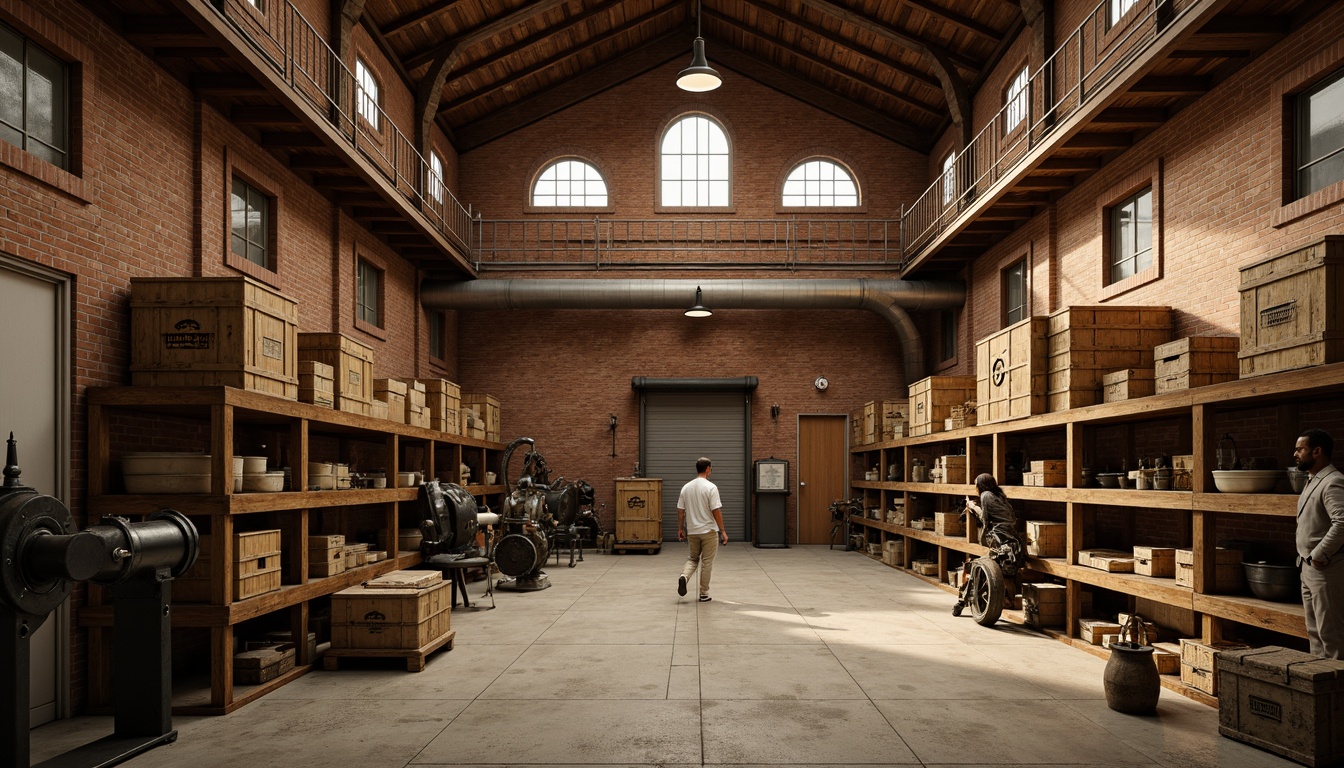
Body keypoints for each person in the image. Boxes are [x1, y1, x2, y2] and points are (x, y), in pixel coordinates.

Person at [1293, 428, 1344, 658]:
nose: (1295, 454)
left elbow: (1342, 522)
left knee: (1330, 635)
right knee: (1314, 634)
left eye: (1299, 449)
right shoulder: (1312, 479)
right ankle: (1317, 691)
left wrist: (1319, 555)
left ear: (1317, 451)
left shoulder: (1333, 481)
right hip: (1308, 568)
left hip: (1326, 568)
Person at [952, 472, 1022, 617]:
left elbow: (985, 519)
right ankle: (1009, 600)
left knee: (977, 567)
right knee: (1007, 575)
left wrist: (972, 507)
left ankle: (963, 601)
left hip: (1000, 541)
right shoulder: (1000, 496)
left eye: (976, 484)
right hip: (1013, 542)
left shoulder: (986, 496)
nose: (975, 487)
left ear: (981, 485)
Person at [676, 457, 727, 602]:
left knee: (692, 558)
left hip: (692, 531)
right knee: (707, 562)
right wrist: (722, 530)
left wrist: (680, 528)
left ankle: (684, 577)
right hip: (709, 531)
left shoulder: (686, 487)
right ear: (708, 469)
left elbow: (680, 510)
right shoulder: (711, 487)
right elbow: (716, 510)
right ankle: (703, 593)